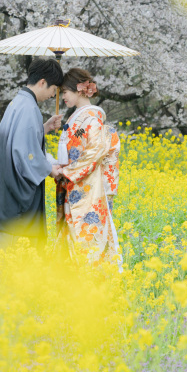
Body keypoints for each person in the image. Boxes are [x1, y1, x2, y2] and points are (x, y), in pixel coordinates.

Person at [0, 58, 64, 259]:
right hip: (14, 189)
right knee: (10, 243)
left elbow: (17, 138)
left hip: (1, 182)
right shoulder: (29, 108)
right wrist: (49, 169)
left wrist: (45, 127)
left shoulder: (18, 102)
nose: (53, 94)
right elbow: (24, 152)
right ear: (43, 82)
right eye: (54, 88)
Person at [54, 68, 120, 265]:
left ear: (80, 90)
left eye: (65, 91)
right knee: (73, 235)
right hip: (75, 184)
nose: (62, 96)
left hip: (86, 186)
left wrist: (67, 171)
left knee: (86, 238)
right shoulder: (77, 116)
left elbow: (95, 150)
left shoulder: (92, 117)